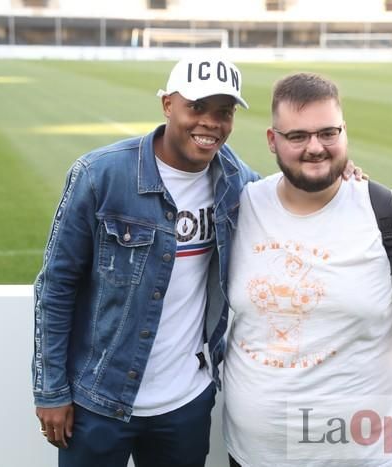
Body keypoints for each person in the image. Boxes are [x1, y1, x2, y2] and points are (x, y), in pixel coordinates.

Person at [31, 57, 361, 467]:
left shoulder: (237, 180)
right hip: (100, 400)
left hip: (185, 403)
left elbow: (291, 190)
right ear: (168, 105)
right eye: (197, 107)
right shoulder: (100, 175)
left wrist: (338, 171)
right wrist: (51, 391)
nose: (210, 123)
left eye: (223, 112)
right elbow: (55, 286)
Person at [222, 72, 392, 467]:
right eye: (298, 136)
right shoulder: (242, 206)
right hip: (252, 456)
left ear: (345, 132)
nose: (316, 148)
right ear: (273, 140)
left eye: (328, 133)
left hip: (367, 457)